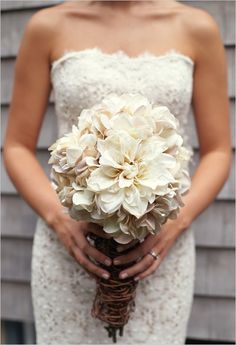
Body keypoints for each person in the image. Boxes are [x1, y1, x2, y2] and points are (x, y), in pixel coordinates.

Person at [3, 0, 231, 344]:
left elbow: (217, 151)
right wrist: (61, 221)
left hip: (161, 247)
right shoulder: (47, 26)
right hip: (70, 244)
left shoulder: (196, 28)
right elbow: (17, 145)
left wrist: (172, 226)